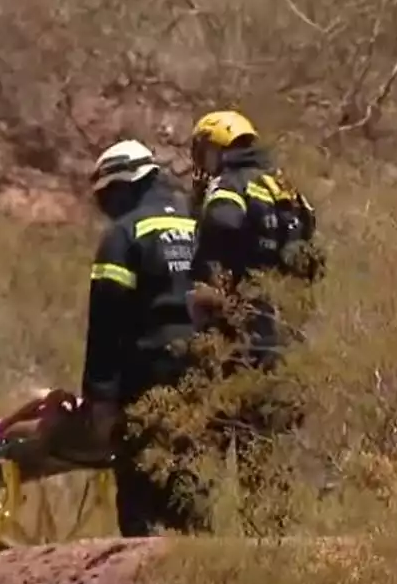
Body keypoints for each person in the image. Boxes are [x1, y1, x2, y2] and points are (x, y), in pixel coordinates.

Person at [185, 110, 324, 533]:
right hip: (285, 338)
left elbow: (224, 223)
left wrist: (209, 279)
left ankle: (213, 550)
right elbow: (312, 257)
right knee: (268, 452)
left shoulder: (229, 186)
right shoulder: (287, 189)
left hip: (239, 336)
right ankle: (274, 537)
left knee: (216, 442)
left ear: (215, 147)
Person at [73, 139, 205, 537]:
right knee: (192, 483)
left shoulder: (124, 235)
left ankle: (139, 581)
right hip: (203, 372)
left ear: (121, 185)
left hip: (147, 375)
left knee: (139, 490)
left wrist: (99, 396)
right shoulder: (199, 223)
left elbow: (106, 323)